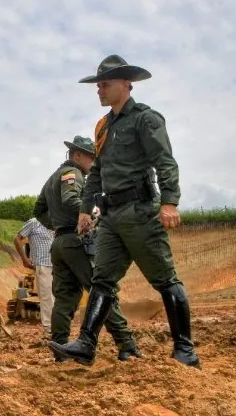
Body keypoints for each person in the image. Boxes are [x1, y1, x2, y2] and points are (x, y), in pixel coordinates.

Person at [50, 55, 200, 368]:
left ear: (126, 85)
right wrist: (84, 209)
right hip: (111, 217)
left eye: (105, 84)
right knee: (102, 280)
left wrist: (169, 202)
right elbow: (97, 172)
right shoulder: (103, 126)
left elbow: (165, 161)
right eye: (98, 85)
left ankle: (185, 351)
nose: (99, 90)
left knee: (164, 279)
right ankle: (86, 344)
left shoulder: (146, 119)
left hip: (140, 212)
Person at [34, 135, 142, 362]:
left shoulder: (52, 178)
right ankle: (126, 344)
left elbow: (39, 210)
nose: (94, 163)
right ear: (77, 155)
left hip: (60, 244)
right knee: (101, 291)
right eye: (91, 158)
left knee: (64, 299)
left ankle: (61, 349)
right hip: (76, 243)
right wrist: (91, 215)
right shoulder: (72, 174)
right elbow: (70, 199)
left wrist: (57, 225)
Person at [13, 217, 55, 335]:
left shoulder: (56, 222)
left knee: (55, 298)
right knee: (47, 297)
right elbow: (17, 239)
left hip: (57, 265)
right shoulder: (34, 223)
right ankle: (50, 330)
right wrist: (25, 259)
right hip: (43, 265)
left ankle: (57, 328)